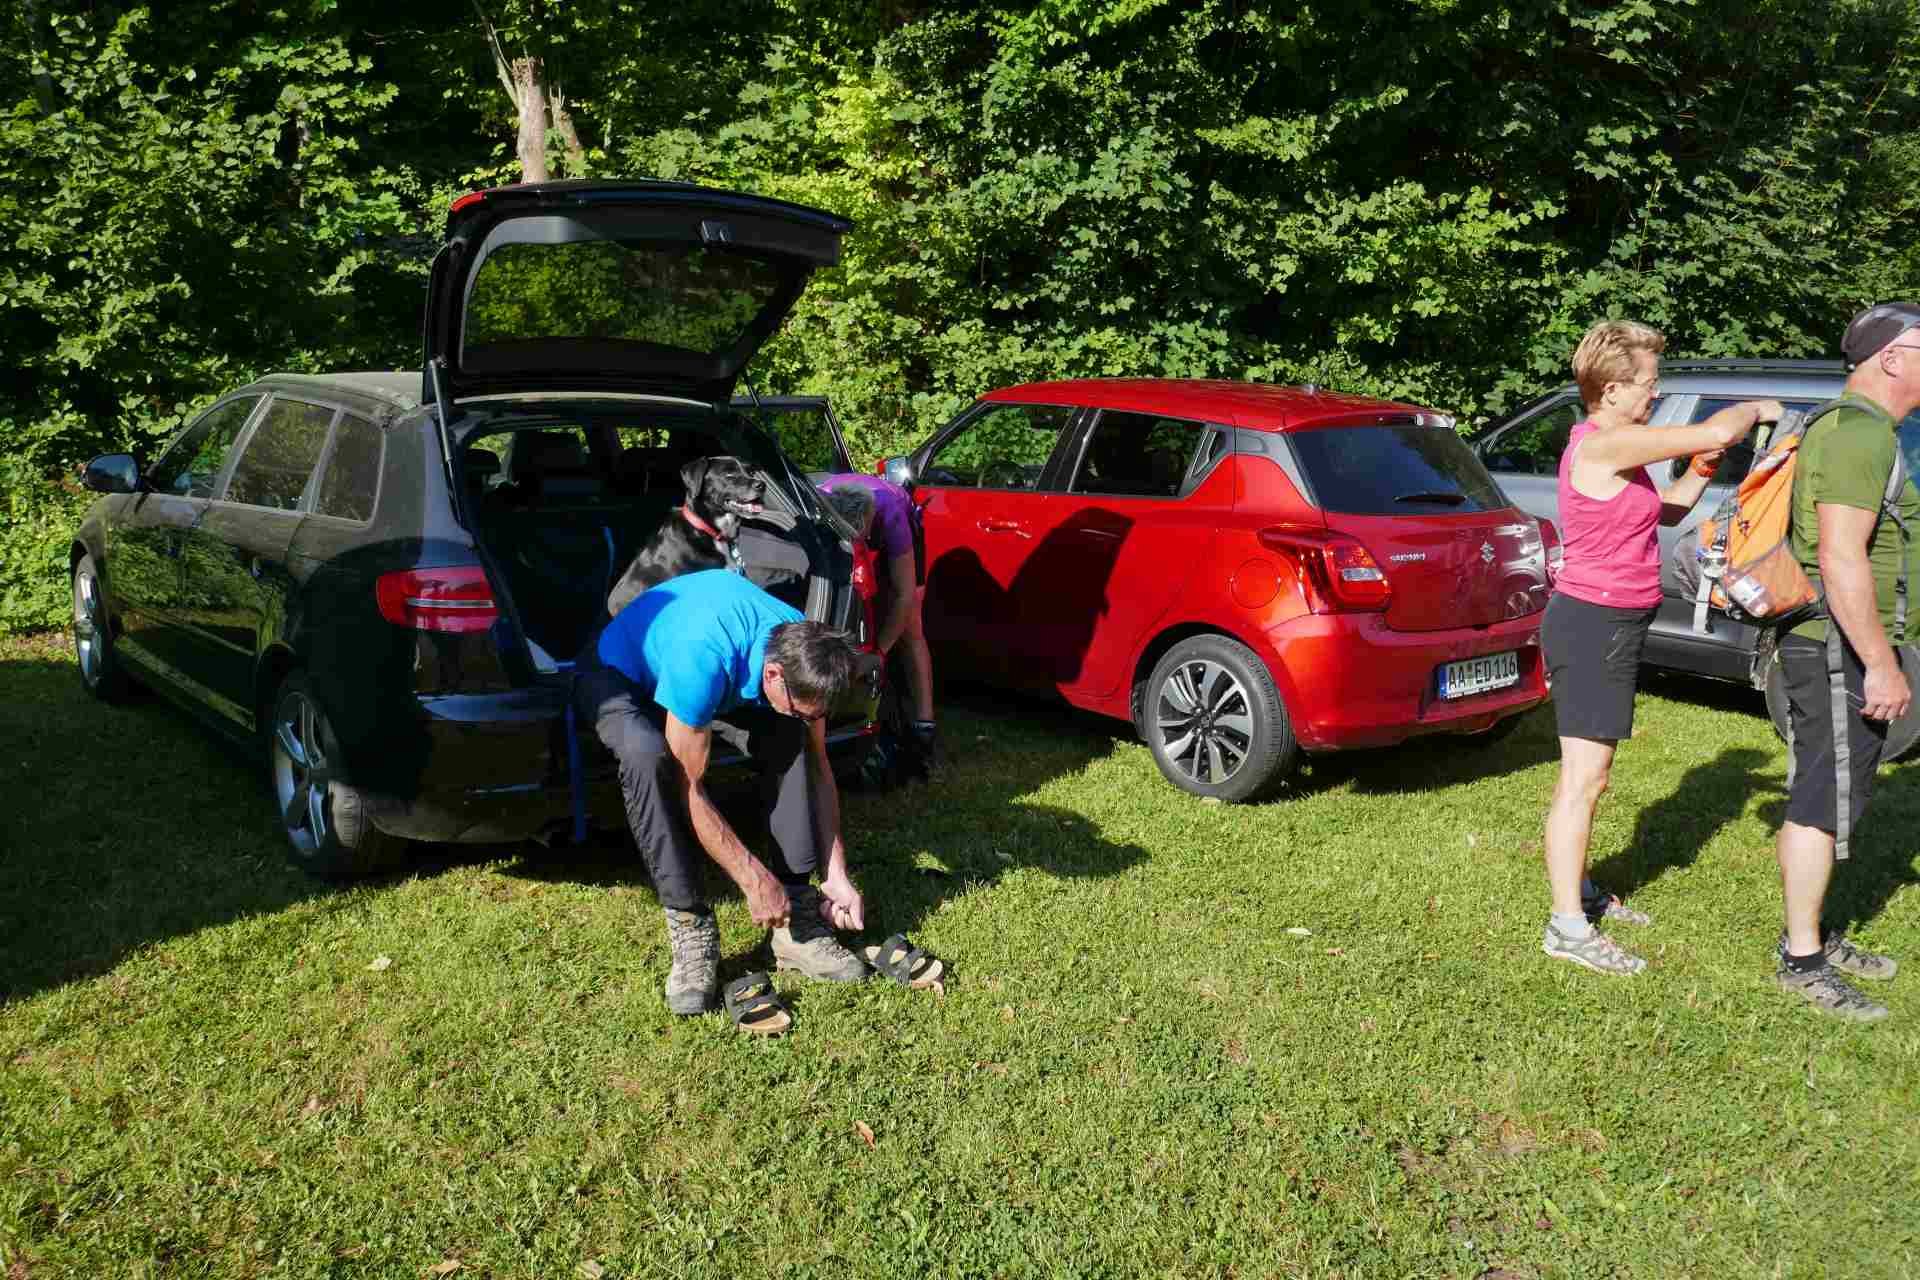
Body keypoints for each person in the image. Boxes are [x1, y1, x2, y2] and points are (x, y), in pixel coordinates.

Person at [1540, 319, 1782, 975]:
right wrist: (1756, 408)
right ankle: (1566, 927)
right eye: (1649, 384)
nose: (1655, 394)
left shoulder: (1616, 453)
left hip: (1612, 626)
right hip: (1591, 625)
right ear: (1613, 390)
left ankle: (1580, 891)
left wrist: (1703, 471)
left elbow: (1666, 509)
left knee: (1595, 776)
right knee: (1582, 781)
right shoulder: (1601, 447)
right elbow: (1714, 429)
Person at [573, 568, 871, 1020]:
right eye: (801, 708)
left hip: (713, 674)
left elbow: (819, 766)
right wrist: (752, 878)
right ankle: (690, 925)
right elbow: (686, 787)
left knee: (791, 741)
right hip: (620, 672)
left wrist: (836, 873)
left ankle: (798, 923)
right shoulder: (703, 656)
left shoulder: (803, 650)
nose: (811, 717)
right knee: (647, 757)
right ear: (772, 675)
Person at [1771, 301, 1920, 1021]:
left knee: (1836, 792)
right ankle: (1800, 959)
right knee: (1823, 800)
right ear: (1891, 358)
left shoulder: (1860, 430)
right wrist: (1882, 664)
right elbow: (1839, 556)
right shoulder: (1860, 436)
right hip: (1835, 650)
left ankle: (1816, 937)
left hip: (1836, 646)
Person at [819, 473, 944, 776]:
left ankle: (924, 727)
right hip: (836, 520)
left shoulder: (891, 514)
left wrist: (880, 651)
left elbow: (903, 594)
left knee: (911, 624)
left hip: (898, 520)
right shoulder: (818, 506)